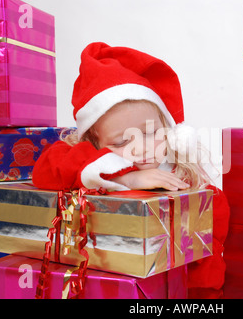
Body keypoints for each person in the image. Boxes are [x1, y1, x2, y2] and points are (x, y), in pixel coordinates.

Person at [32, 42, 230, 298]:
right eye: (122, 142)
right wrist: (127, 176)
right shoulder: (88, 165)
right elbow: (46, 168)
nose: (142, 148)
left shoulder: (196, 192)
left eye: (150, 132)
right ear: (95, 144)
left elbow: (206, 278)